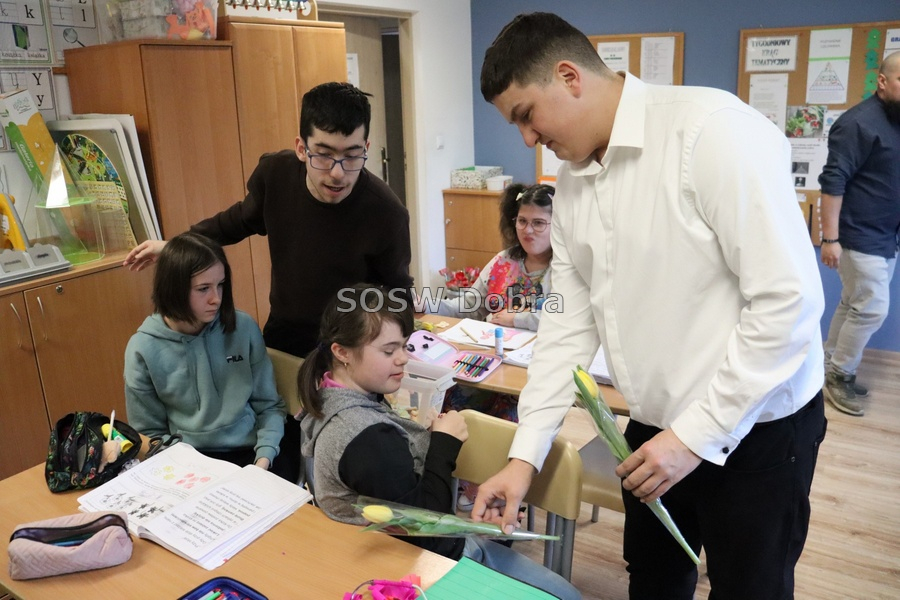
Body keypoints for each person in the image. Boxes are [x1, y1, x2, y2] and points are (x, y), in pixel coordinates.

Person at [472, 13, 827, 600]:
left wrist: (693, 437)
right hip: (652, 428)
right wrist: (523, 458)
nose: (528, 139)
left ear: (569, 77)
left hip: (755, 426)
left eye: (527, 115)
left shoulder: (712, 132)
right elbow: (565, 329)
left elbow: (788, 302)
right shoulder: (573, 182)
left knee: (751, 587)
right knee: (655, 580)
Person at [298, 284, 580, 600]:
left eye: (405, 346)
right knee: (567, 596)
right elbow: (428, 532)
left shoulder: (328, 398)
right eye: (389, 351)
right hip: (423, 565)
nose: (403, 359)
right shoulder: (366, 438)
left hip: (396, 552)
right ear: (342, 352)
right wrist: (444, 443)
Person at [122, 82, 413, 359]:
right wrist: (176, 246)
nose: (338, 173)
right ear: (301, 148)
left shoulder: (387, 213)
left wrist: (389, 350)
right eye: (324, 155)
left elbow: (399, 296)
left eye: (352, 156)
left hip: (351, 346)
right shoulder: (276, 175)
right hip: (285, 334)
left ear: (366, 147)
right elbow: (236, 221)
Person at [124, 232, 294, 480]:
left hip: (254, 452)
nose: (216, 298)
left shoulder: (243, 327)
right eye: (203, 289)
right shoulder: (143, 348)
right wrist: (189, 473)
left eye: (221, 285)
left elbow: (269, 405)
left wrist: (263, 461)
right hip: (189, 462)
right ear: (173, 290)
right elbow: (149, 433)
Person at [818, 51, 900, 417]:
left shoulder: (895, 119)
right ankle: (840, 375)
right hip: (857, 234)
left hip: (884, 234)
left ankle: (828, 366)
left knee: (853, 303)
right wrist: (830, 239)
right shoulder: (857, 123)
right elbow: (833, 181)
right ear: (882, 81)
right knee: (872, 309)